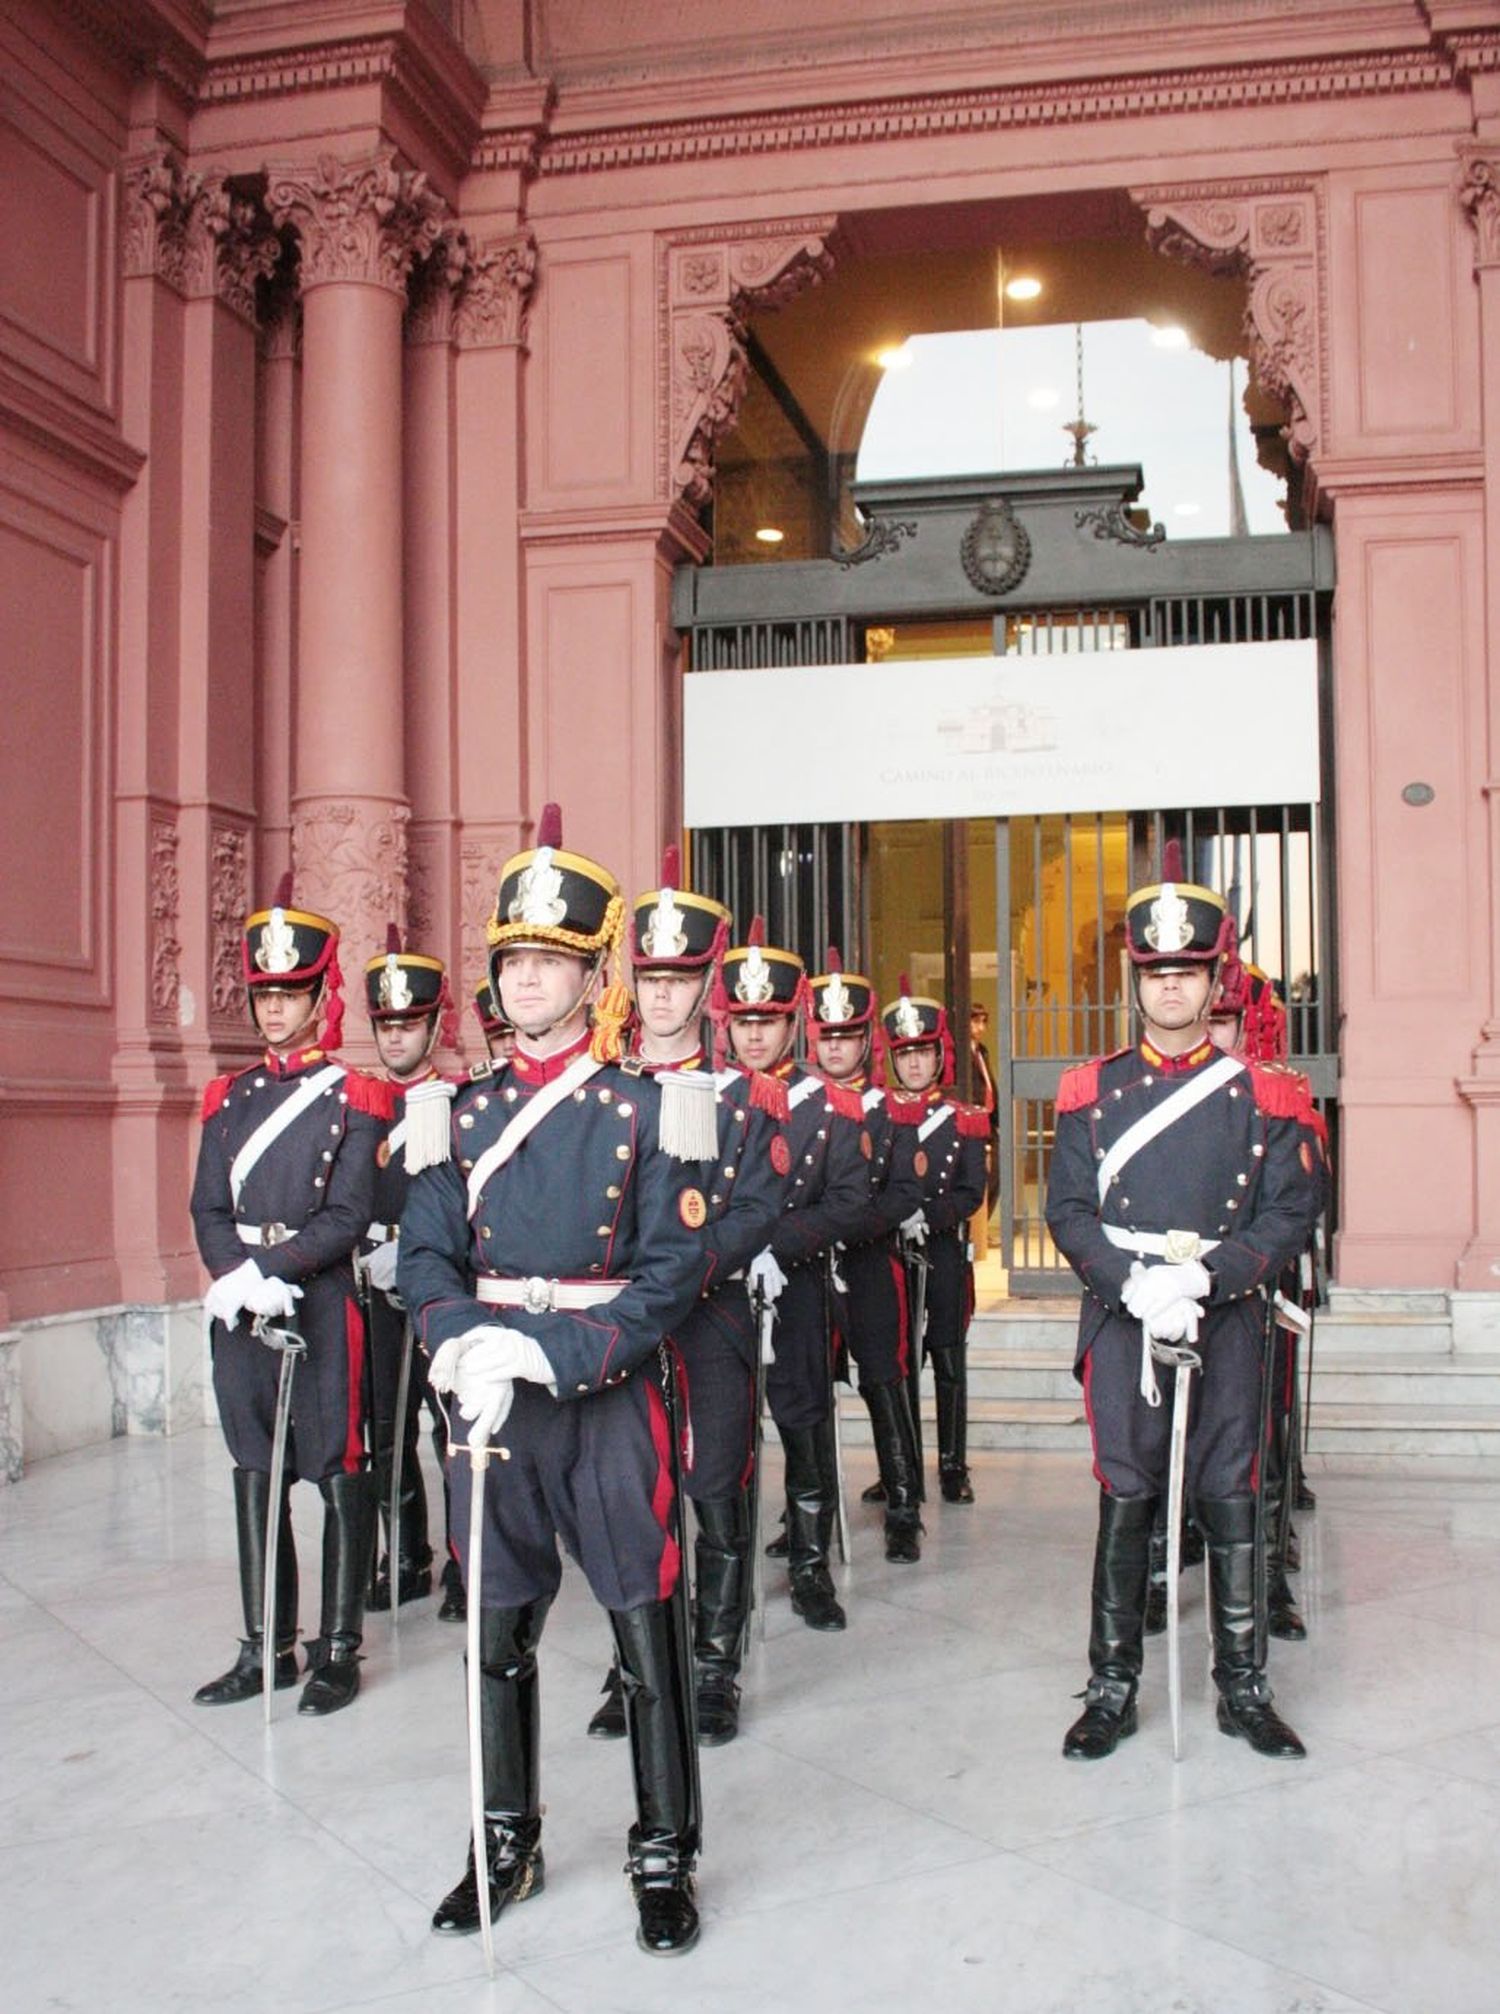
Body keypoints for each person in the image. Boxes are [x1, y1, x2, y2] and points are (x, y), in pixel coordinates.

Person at [398, 806, 715, 1956]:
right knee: (497, 1628)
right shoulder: (454, 1112)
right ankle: (504, 1840)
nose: (529, 977)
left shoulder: (650, 1109)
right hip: (490, 1408)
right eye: (514, 958)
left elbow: (674, 1269)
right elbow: (426, 1255)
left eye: (552, 960)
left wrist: (554, 1347)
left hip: (607, 1400)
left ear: (593, 976)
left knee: (644, 1628)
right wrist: (460, 1341)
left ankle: (665, 1849)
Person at [1045, 842, 1320, 1762]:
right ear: (1136, 977)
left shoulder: (1265, 1094)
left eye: (1188, 972)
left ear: (1216, 979)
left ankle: (1243, 1687)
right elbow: (1069, 1209)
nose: (1171, 989)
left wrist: (1208, 1275)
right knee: (1126, 1492)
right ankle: (1113, 1686)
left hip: (1225, 1315)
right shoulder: (1091, 1092)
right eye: (1156, 971)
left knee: (1230, 1490)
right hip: (1126, 1322)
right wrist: (1133, 1285)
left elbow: (1293, 1207)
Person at [585, 852, 788, 1747]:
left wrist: (677, 1273)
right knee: (633, 1495)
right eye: (650, 978)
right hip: (625, 1327)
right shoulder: (603, 1090)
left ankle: (713, 1667)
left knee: (714, 1488)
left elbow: (753, 1213)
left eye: (678, 979)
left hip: (708, 1319)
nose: (662, 996)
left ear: (708, 984)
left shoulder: (749, 1096)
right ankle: (633, 1662)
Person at [191, 875, 390, 1716]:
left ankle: (339, 1648)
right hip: (242, 1309)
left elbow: (348, 1215)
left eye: (291, 994)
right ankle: (266, 1644)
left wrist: (273, 1275)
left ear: (321, 995)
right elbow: (207, 1205)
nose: (275, 1010)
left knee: (338, 1468)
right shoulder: (227, 1098)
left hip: (318, 1304)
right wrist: (236, 1280)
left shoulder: (355, 1097)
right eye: (265, 994)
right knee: (252, 1468)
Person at [720, 921, 871, 1631]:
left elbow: (848, 1203)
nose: (755, 1036)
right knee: (723, 1432)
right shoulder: (706, 1094)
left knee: (803, 1422)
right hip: (720, 1292)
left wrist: (771, 1243)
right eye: (745, 1020)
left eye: (769, 1020)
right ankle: (724, 1568)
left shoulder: (829, 1104)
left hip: (797, 1288)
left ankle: (810, 1568)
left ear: (794, 1021)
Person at [1209, 947, 1329, 1642]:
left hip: (1263, 1283)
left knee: (1265, 1423)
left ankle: (1270, 1570)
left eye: (1228, 1018)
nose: (1215, 1030)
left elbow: (1309, 1192)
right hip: (1193, 1287)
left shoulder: (1281, 1093)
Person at [808, 952, 927, 1564]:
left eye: (846, 1036)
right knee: (809, 1395)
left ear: (865, 1040)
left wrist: (850, 1226)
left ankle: (904, 1504)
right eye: (825, 1036)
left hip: (868, 1263)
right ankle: (811, 1509)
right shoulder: (797, 1104)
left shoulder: (891, 1109)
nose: (834, 1048)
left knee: (884, 1382)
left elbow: (907, 1190)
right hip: (808, 1270)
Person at [361, 927, 460, 1611]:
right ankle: (408, 1558)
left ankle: (463, 1564)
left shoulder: (456, 1103)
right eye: (386, 1024)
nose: (396, 1038)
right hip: (373, 1280)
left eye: (409, 1023)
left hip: (443, 1281)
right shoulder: (359, 1105)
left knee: (453, 1429)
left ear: (434, 1024)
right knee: (385, 1432)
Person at [882, 981, 990, 1503]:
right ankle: (897, 1465)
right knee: (897, 1363)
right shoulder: (879, 1116)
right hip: (891, 1254)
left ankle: (952, 1465)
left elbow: (972, 1191)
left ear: (939, 1055)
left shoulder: (964, 1119)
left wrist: (931, 1213)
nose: (915, 1065)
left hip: (942, 1252)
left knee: (947, 1359)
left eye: (923, 1052)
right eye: (905, 1055)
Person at [968, 1002, 1000, 1259]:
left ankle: (981, 1227)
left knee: (996, 1177)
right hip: (974, 1123)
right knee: (979, 1178)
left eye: (982, 1022)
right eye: (975, 1021)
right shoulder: (961, 1051)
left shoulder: (982, 1051)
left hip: (989, 1122)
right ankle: (973, 1233)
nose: (979, 1028)